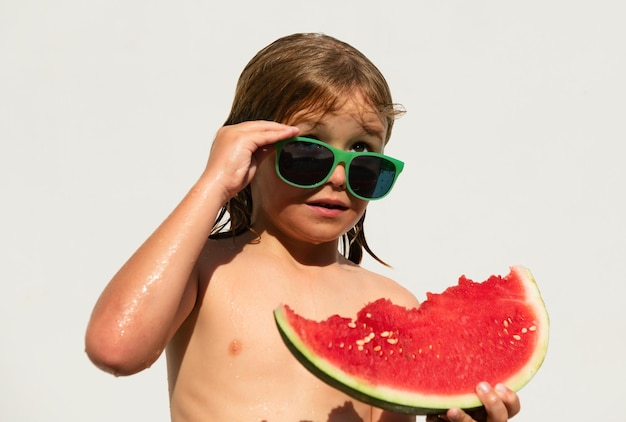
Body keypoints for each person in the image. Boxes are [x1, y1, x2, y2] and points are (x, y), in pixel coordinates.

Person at [85, 33, 521, 422]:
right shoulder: (206, 270)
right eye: (309, 153)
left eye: (364, 158)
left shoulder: (392, 304)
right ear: (249, 152)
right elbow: (116, 348)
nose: (336, 177)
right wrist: (214, 181)